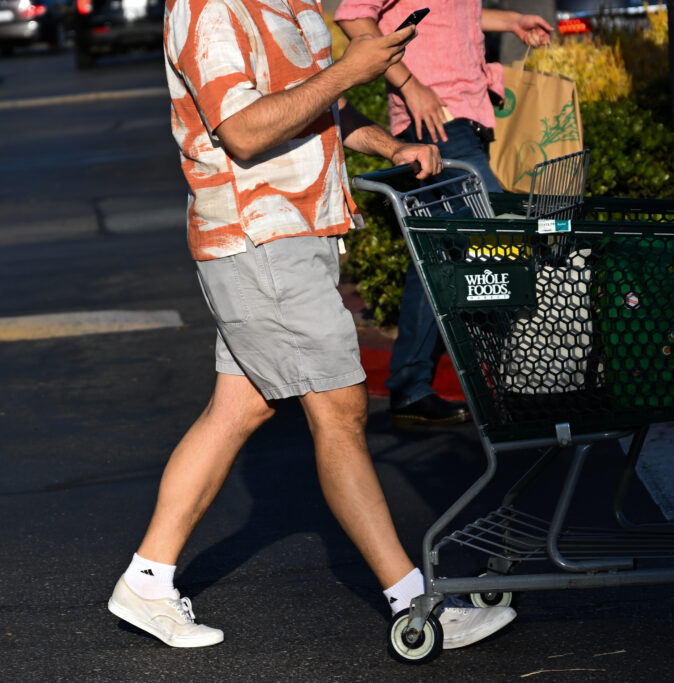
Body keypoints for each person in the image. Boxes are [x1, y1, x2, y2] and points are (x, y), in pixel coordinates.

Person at [106, 0, 515, 650]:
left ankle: (146, 581)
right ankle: (415, 602)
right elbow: (243, 130)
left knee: (237, 409)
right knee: (342, 411)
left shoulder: (292, 2)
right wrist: (351, 69)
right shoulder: (207, 8)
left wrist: (389, 143)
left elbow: (317, 103)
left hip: (299, 231)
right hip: (259, 234)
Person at [335, 0, 553, 428]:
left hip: (465, 119)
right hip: (438, 123)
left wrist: (512, 22)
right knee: (502, 241)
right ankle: (531, 380)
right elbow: (354, 15)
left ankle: (411, 387)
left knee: (438, 256)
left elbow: (449, 13)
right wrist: (410, 84)